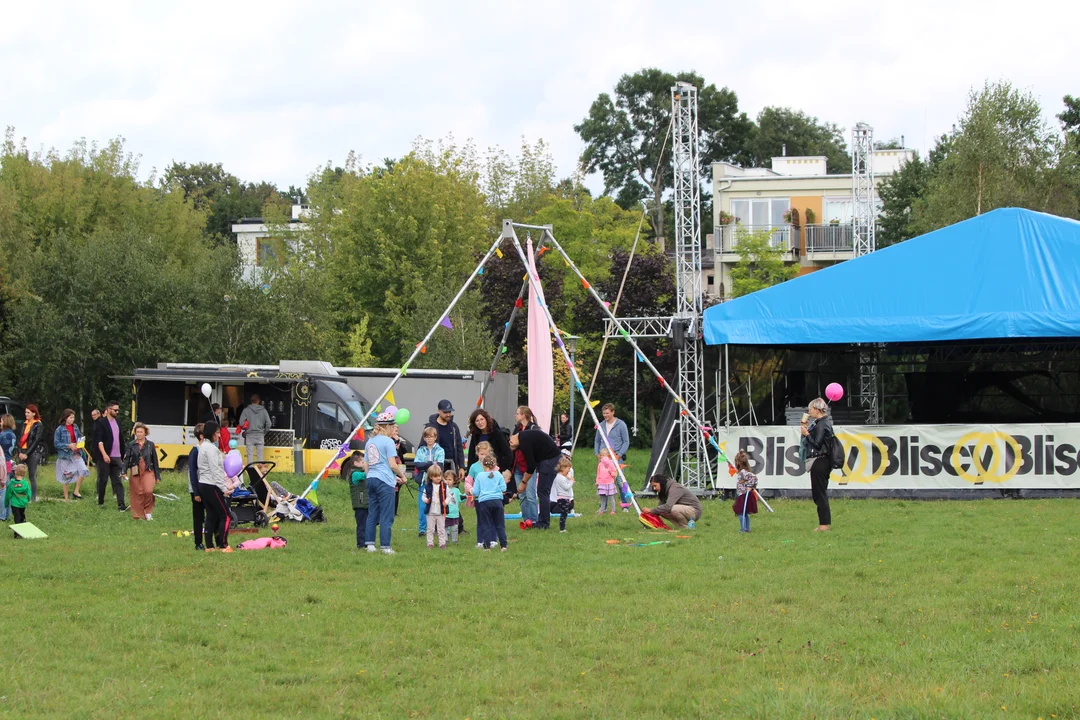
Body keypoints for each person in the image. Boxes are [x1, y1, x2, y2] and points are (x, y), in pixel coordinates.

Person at [365, 410, 408, 554]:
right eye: (392, 426)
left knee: (372, 513)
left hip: (371, 478)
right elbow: (392, 464)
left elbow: (367, 464)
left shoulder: (370, 442)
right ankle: (385, 546)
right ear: (388, 426)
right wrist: (402, 476)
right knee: (386, 514)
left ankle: (370, 544)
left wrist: (371, 476)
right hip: (385, 482)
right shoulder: (388, 441)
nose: (393, 428)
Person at [509, 427, 562, 530]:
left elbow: (531, 465)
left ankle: (544, 523)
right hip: (549, 458)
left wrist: (524, 482)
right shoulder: (524, 436)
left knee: (543, 492)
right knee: (542, 491)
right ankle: (542, 521)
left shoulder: (524, 441)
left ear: (511, 441)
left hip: (550, 460)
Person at [802, 397, 837, 532]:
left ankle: (824, 525)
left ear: (817, 410)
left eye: (811, 409)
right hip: (822, 460)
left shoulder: (822, 424)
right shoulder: (821, 423)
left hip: (821, 461)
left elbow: (817, 443)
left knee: (819, 493)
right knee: (819, 492)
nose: (809, 412)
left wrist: (806, 434)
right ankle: (824, 523)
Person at [197, 421, 233, 552]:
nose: (219, 436)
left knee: (211, 515)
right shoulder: (211, 449)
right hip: (211, 485)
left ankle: (209, 546)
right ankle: (223, 545)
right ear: (212, 433)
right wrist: (224, 489)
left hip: (203, 484)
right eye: (217, 433)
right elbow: (215, 470)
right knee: (226, 515)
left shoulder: (203, 447)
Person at [92, 401, 127, 511]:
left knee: (118, 481)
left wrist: (123, 453)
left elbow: (120, 439)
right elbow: (99, 441)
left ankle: (121, 505)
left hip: (117, 456)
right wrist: (104, 455)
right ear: (108, 410)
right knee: (103, 480)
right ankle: (100, 502)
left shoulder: (118, 422)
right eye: (115, 410)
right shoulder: (101, 423)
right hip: (105, 456)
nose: (117, 412)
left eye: (118, 410)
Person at [124, 422, 162, 521]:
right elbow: (127, 459)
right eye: (137, 432)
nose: (139, 434)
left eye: (141, 432)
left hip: (148, 469)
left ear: (145, 433)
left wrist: (157, 476)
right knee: (138, 493)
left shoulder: (150, 445)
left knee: (148, 490)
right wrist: (123, 471)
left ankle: (148, 511)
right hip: (135, 470)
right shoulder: (131, 445)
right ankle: (139, 514)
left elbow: (155, 460)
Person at [413, 426, 445, 538]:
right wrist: (431, 463)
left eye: (431, 437)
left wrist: (426, 464)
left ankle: (437, 527)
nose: (429, 439)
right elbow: (417, 464)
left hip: (436, 481)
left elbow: (440, 465)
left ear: (435, 437)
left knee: (437, 504)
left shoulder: (440, 450)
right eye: (427, 437)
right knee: (422, 505)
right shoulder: (421, 450)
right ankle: (422, 528)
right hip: (424, 481)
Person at [53, 409, 90, 502]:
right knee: (66, 476)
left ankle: (76, 491)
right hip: (65, 455)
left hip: (76, 453)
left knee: (84, 470)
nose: (72, 419)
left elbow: (80, 437)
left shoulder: (75, 427)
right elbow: (56, 443)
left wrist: (80, 443)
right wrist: (68, 445)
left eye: (73, 417)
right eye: (71, 417)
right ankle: (66, 498)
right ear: (65, 418)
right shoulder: (59, 429)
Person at [511, 406, 540, 523]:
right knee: (521, 494)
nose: (515, 415)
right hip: (518, 465)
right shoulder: (517, 428)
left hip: (529, 466)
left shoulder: (533, 428)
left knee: (531, 494)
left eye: (517, 413)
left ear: (523, 415)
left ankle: (533, 520)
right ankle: (526, 519)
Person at [473, 454, 508, 551]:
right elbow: (503, 488)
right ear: (495, 465)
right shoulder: (498, 474)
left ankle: (487, 546)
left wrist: (472, 490)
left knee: (486, 524)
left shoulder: (480, 476)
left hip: (484, 503)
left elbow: (475, 492)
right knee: (500, 524)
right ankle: (504, 545)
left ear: (483, 465)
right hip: (497, 502)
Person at [188, 424, 212, 551]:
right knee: (198, 517)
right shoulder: (195, 451)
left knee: (210, 515)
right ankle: (198, 543)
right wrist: (196, 492)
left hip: (208, 487)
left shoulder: (209, 449)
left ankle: (210, 541)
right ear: (201, 436)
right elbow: (193, 473)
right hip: (197, 489)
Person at [18, 405, 47, 502]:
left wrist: (27, 453)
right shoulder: (24, 424)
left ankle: (33, 498)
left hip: (32, 452)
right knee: (17, 473)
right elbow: (20, 438)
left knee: (32, 475)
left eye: (28, 412)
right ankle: (18, 495)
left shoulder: (38, 425)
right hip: (22, 451)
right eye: (25, 412)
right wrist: (19, 452)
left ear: (34, 413)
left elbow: (36, 440)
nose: (26, 414)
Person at [422, 465, 449, 549]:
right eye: (436, 476)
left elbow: (449, 496)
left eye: (439, 476)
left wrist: (446, 502)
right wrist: (426, 500)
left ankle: (442, 543)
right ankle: (430, 543)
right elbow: (423, 496)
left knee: (441, 529)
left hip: (440, 511)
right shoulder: (427, 487)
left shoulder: (444, 486)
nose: (438, 478)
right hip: (430, 512)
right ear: (430, 477)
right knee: (430, 529)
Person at [238, 394, 272, 462]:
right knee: (260, 456)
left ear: (251, 401)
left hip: (249, 434)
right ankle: (260, 471)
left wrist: (246, 428)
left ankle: (250, 470)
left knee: (250, 455)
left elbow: (241, 423)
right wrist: (264, 432)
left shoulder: (246, 410)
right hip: (260, 434)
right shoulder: (263, 410)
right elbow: (269, 423)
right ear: (259, 401)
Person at [732, 451, 758, 533]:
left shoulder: (743, 472)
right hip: (742, 494)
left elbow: (754, 477)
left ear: (738, 462)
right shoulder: (742, 472)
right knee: (745, 512)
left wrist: (750, 487)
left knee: (740, 512)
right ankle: (747, 529)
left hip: (743, 495)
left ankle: (743, 529)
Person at [348, 452, 368, 551]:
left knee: (368, 523)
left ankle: (367, 542)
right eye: (363, 462)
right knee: (362, 525)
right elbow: (365, 475)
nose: (365, 464)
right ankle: (361, 544)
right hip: (360, 504)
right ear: (356, 463)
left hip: (366, 503)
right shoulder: (355, 473)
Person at [553, 455, 575, 532]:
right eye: (568, 468)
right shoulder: (560, 478)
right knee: (564, 513)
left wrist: (568, 478)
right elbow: (566, 487)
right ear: (562, 468)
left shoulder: (562, 477)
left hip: (565, 497)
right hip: (562, 498)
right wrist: (571, 481)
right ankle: (562, 528)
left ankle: (563, 527)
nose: (569, 470)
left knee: (564, 513)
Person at [595, 447, 619, 515]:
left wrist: (611, 473)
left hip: (609, 483)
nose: (602, 457)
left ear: (607, 455)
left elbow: (614, 472)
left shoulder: (611, 463)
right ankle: (602, 510)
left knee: (611, 498)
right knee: (602, 498)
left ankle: (613, 510)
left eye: (604, 455)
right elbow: (598, 474)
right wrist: (597, 481)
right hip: (602, 484)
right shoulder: (600, 464)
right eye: (601, 455)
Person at [446, 474, 462, 544]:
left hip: (455, 513)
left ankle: (454, 540)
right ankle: (445, 540)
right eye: (446, 479)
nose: (447, 481)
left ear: (454, 481)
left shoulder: (456, 490)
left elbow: (460, 499)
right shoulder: (443, 490)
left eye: (450, 480)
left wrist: (465, 496)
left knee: (455, 528)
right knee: (445, 528)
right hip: (446, 513)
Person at [0, 414, 16, 480]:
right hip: (8, 461)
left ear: (5, 422)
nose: (0, 423)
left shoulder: (2, 435)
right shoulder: (13, 435)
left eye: (1, 421)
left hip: (1, 461)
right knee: (7, 480)